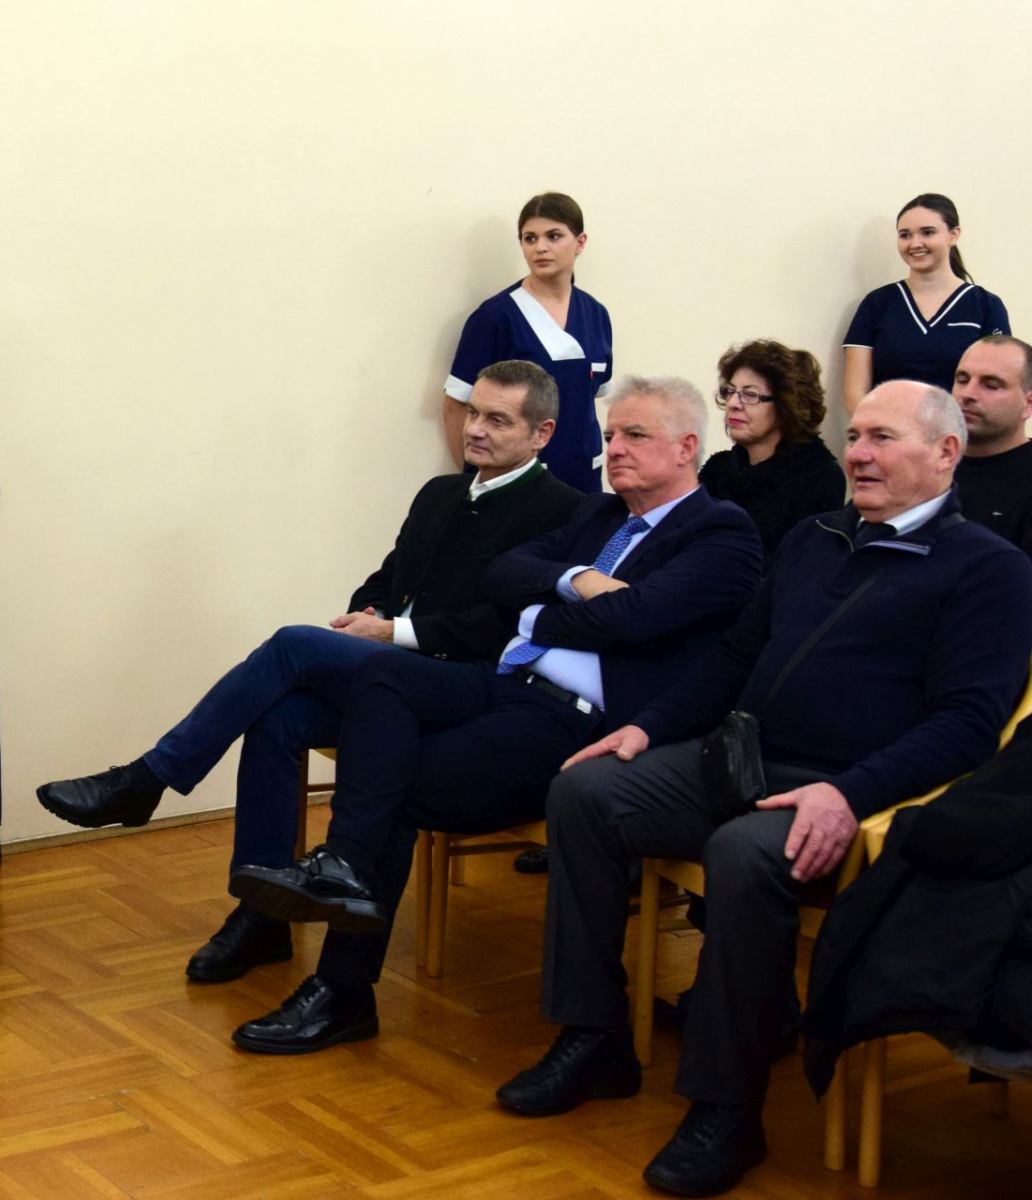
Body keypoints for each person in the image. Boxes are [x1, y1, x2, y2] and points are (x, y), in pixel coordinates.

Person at [499, 381, 1032, 1197]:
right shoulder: (816, 537)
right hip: (745, 760)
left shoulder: (991, 570)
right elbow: (733, 657)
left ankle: (726, 1107)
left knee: (743, 854)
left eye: (883, 438)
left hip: (854, 791)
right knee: (587, 792)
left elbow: (966, 726)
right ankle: (594, 1037)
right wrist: (647, 728)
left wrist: (849, 795)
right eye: (856, 436)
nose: (858, 453)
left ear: (945, 453)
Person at [228, 378, 763, 1054]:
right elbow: (505, 572)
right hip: (509, 683)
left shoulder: (722, 532)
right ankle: (340, 869)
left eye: (635, 436)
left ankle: (342, 984)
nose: (614, 450)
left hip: (577, 720)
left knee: (392, 784)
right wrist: (575, 580)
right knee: (383, 674)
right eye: (610, 436)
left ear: (686, 448)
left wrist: (539, 614)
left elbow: (634, 617)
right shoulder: (602, 516)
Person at [35, 361, 581, 981]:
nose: (475, 429)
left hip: (468, 685)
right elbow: (388, 578)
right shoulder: (439, 493)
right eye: (473, 413)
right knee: (281, 718)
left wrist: (393, 632)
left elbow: (510, 627)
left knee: (294, 645)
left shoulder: (565, 511)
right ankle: (261, 915)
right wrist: (370, 611)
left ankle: (149, 778)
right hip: (392, 673)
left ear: (542, 433)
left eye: (498, 420)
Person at [442, 193, 612, 492]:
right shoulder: (496, 317)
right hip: (516, 484)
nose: (540, 248)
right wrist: (476, 479)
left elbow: (588, 398)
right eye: (530, 238)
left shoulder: (595, 314)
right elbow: (455, 406)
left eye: (554, 236)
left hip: (583, 481)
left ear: (580, 242)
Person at [842, 193, 1011, 416]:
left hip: (960, 434)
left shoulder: (986, 306)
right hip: (889, 432)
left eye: (928, 232)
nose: (915, 243)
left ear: (953, 235)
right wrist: (884, 431)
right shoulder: (877, 304)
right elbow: (855, 393)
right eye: (905, 235)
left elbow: (996, 385)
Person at [699, 340, 845, 556]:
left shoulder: (819, 476)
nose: (732, 404)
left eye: (750, 395)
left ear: (787, 405)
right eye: (730, 391)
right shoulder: (718, 469)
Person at [953, 334, 1032, 554]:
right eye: (962, 380)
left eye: (991, 385)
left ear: (1029, 404)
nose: (968, 394)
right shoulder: (924, 464)